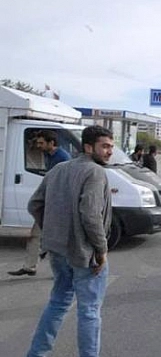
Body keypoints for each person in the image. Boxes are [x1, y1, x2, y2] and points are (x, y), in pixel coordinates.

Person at [25, 125, 113, 356]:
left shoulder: (58, 169)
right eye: (104, 146)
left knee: (58, 303)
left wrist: (52, 231)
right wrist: (101, 250)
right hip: (85, 255)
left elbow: (35, 204)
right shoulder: (94, 172)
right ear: (87, 147)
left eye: (111, 147)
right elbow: (90, 214)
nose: (109, 151)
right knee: (90, 311)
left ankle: (36, 353)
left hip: (57, 251)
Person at [8, 130, 73, 277]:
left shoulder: (62, 158)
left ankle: (66, 269)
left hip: (58, 205)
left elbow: (63, 183)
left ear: (51, 143)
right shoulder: (48, 155)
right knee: (35, 235)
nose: (39, 145)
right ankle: (30, 266)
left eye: (41, 143)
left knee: (59, 239)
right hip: (48, 202)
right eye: (38, 143)